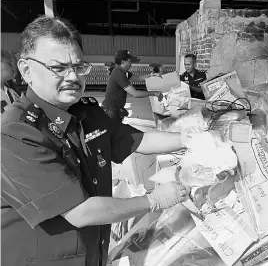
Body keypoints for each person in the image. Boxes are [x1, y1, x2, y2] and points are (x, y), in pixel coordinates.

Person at [1, 15, 190, 266]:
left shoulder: (86, 112)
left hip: (93, 253)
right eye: (58, 68)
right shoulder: (17, 132)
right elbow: (81, 211)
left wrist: (193, 137)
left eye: (79, 67)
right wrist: (153, 200)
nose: (72, 77)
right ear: (26, 70)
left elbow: (136, 140)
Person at [102, 50, 163, 121]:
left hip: (116, 109)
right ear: (122, 62)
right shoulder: (118, 73)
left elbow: (138, 78)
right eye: (129, 61)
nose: (131, 64)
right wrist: (155, 93)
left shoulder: (124, 72)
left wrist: (152, 75)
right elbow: (135, 93)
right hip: (110, 111)